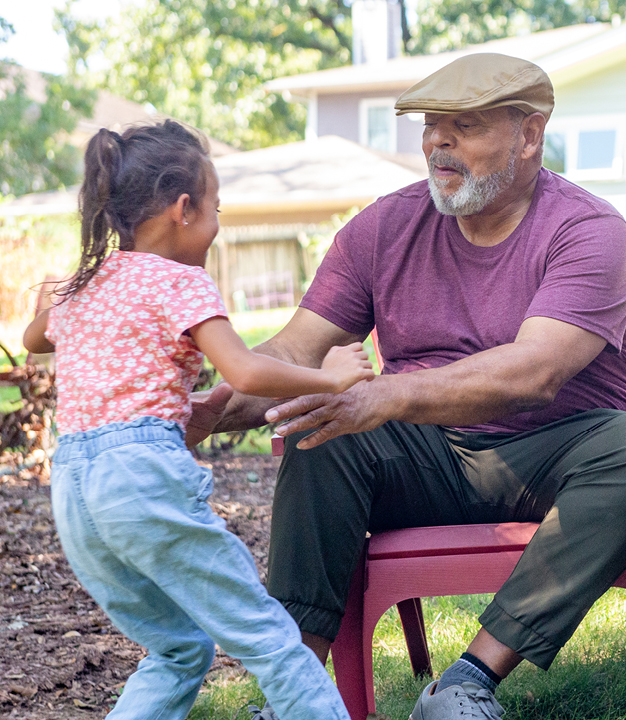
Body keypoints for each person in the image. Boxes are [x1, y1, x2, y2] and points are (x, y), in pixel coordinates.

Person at [189, 54, 626, 720]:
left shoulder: (586, 230)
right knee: (324, 430)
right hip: (423, 455)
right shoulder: (381, 229)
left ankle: (466, 681)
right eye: (430, 126)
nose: (436, 143)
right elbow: (291, 354)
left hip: (561, 454)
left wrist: (382, 397)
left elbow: (536, 369)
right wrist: (204, 411)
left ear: (529, 135)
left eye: (464, 125)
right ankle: (294, 696)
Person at [22, 120, 375, 720]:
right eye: (216, 208)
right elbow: (246, 371)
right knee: (268, 635)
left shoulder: (85, 288)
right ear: (183, 209)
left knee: (178, 646)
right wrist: (332, 378)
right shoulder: (181, 282)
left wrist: (193, 408)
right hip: (142, 482)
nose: (217, 223)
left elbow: (38, 340)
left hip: (76, 493)